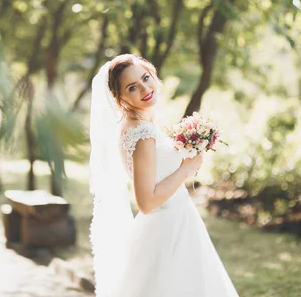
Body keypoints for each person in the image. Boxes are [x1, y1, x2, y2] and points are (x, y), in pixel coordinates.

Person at [88, 54, 239, 297]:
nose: (145, 88)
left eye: (146, 78)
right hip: (167, 228)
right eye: (132, 87)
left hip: (175, 221)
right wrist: (186, 169)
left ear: (153, 74)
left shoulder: (135, 125)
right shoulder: (143, 133)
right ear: (120, 99)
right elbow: (146, 202)